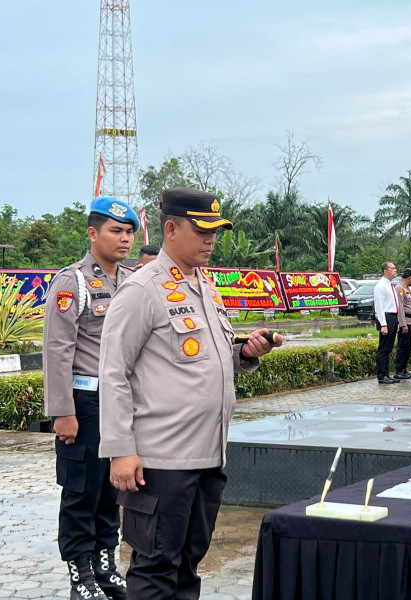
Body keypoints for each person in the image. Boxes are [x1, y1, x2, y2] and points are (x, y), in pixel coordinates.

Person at [98, 188, 280, 599]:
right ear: (170, 228)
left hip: (207, 455)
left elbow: (207, 357)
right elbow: (112, 372)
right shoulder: (143, 289)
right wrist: (120, 450)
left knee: (188, 565)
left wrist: (245, 352)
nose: (210, 240)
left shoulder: (206, 286)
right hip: (160, 461)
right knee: (156, 569)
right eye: (202, 231)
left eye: (215, 231)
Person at [43, 196, 140, 600]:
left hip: (119, 405)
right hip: (84, 404)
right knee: (81, 491)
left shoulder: (132, 281)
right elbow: (57, 350)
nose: (124, 239)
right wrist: (62, 411)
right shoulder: (74, 281)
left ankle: (104, 565)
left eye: (129, 231)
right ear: (92, 233)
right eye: (116, 231)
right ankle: (79, 574)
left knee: (110, 490)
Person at [373, 261, 402, 384]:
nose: (395, 270)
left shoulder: (390, 285)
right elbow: (379, 307)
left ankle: (386, 374)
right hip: (386, 317)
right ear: (386, 271)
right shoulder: (381, 286)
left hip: (393, 317)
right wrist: (383, 324)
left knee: (389, 348)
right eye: (393, 268)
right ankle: (381, 375)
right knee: (383, 348)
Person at [394, 268, 411, 379]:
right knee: (403, 347)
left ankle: (404, 369)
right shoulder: (399, 288)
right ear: (410, 278)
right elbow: (400, 307)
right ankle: (399, 370)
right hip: (406, 322)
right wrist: (402, 324)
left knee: (408, 347)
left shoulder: (406, 288)